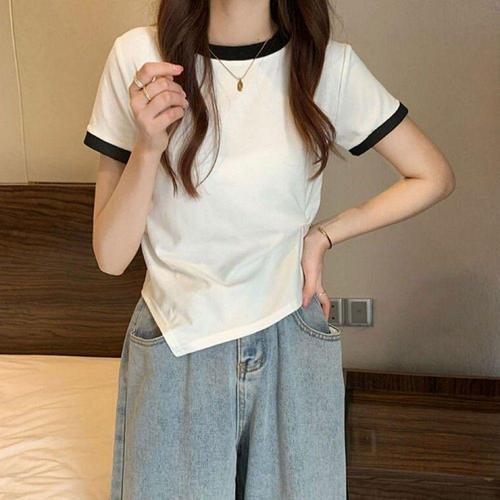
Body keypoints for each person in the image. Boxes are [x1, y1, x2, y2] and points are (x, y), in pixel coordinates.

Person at [83, 1, 455, 498]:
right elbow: (110, 257)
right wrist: (149, 147)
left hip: (291, 336)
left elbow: (432, 175)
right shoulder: (140, 58)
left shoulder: (326, 66)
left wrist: (323, 236)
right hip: (177, 340)